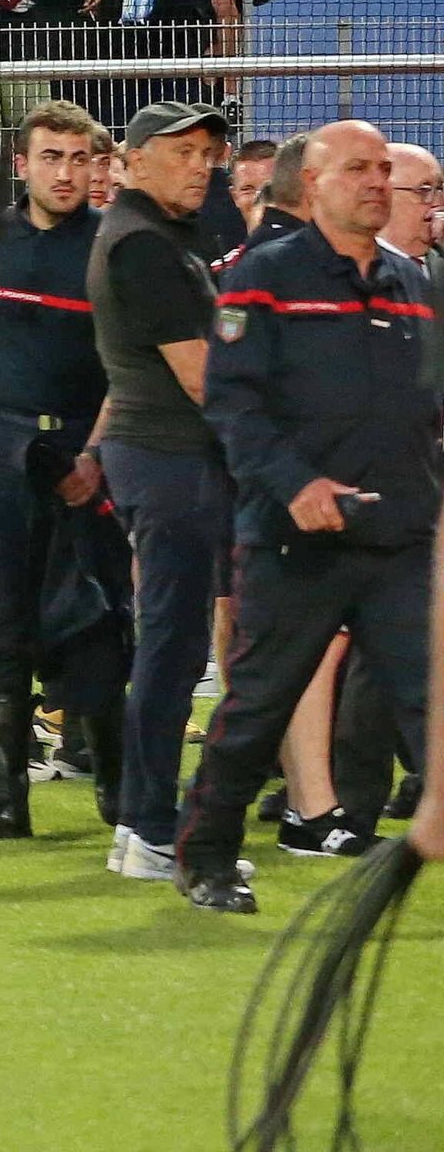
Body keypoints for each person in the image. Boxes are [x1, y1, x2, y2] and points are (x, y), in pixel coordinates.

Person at [170, 121, 440, 909]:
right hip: (298, 539)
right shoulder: (266, 274)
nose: (375, 181)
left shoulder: (412, 281)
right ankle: (206, 852)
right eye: (357, 167)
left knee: (432, 700)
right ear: (313, 183)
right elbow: (233, 400)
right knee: (258, 705)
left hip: (401, 537)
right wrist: (296, 486)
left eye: (384, 169)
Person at [0, 100, 130, 840]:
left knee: (97, 628)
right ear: (23, 164)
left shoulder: (117, 248)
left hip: (90, 459)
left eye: (79, 158)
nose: (66, 171)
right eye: (51, 157)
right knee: (0, 628)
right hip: (0, 455)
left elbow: (131, 366)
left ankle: (122, 797)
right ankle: (4, 800)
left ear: (97, 167)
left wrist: (96, 454)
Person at [84, 98, 238, 885]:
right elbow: (203, 377)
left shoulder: (166, 237)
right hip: (170, 460)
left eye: (210, 152)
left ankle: (141, 824)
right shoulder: (145, 244)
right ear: (133, 159)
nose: (202, 164)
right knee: (172, 651)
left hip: (165, 458)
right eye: (184, 150)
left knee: (172, 649)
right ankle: (150, 826)